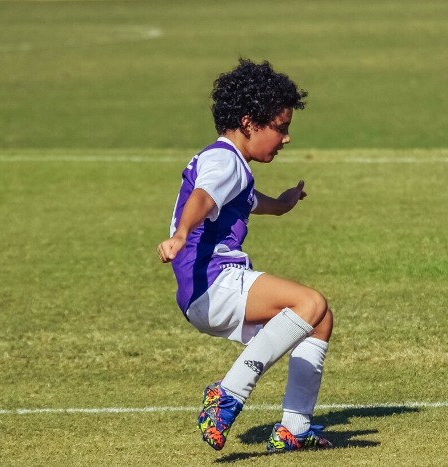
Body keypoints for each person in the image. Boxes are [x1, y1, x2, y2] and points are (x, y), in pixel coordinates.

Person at [157, 59, 333, 453]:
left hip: (206, 288)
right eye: (281, 128)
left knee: (319, 320)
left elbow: (249, 201)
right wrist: (181, 234)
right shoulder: (224, 161)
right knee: (310, 302)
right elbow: (203, 197)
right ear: (250, 122)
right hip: (213, 282)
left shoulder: (233, 165)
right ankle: (228, 395)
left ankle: (294, 428)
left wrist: (284, 204)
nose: (286, 139)